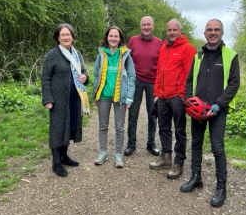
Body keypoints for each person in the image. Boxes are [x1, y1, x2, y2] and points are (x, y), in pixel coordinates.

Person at [181, 19, 240, 207]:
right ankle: (196, 177)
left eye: (216, 30)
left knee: (217, 148)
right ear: (204, 34)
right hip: (198, 110)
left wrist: (219, 104)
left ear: (222, 33)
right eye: (209, 30)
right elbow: (189, 80)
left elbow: (234, 83)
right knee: (196, 143)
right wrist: (189, 101)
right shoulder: (197, 57)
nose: (212, 33)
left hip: (217, 111)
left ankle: (221, 188)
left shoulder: (231, 56)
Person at [149, 18, 196, 179]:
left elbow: (191, 75)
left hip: (177, 96)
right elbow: (159, 72)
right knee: (163, 127)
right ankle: (166, 156)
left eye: (175, 30)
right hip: (162, 96)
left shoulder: (188, 49)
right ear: (166, 31)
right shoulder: (163, 47)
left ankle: (179, 162)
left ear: (180, 31)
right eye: (169, 30)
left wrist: (184, 96)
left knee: (180, 130)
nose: (172, 32)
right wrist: (157, 93)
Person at [41, 23, 90, 177]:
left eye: (68, 34)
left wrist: (85, 77)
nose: (66, 37)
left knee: (70, 127)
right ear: (58, 37)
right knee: (57, 129)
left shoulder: (77, 54)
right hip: (58, 99)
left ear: (72, 37)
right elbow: (45, 77)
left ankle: (64, 156)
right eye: (63, 35)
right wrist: (48, 98)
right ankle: (56, 162)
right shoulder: (52, 54)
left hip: (74, 98)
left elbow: (84, 71)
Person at [92, 26, 136, 168]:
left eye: (116, 36)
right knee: (103, 126)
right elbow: (96, 75)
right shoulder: (101, 54)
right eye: (111, 36)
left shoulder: (125, 55)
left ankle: (118, 154)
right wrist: (94, 94)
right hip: (103, 96)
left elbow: (131, 76)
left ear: (120, 39)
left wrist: (129, 97)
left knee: (119, 127)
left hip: (120, 97)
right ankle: (103, 152)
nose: (113, 38)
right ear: (107, 37)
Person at [124, 16, 163, 157]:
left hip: (153, 82)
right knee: (133, 114)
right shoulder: (133, 40)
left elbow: (162, 64)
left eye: (148, 25)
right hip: (136, 81)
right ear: (140, 27)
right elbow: (126, 60)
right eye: (144, 25)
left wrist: (160, 85)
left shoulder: (159, 42)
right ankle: (131, 144)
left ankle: (151, 144)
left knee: (152, 115)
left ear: (153, 26)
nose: (146, 27)